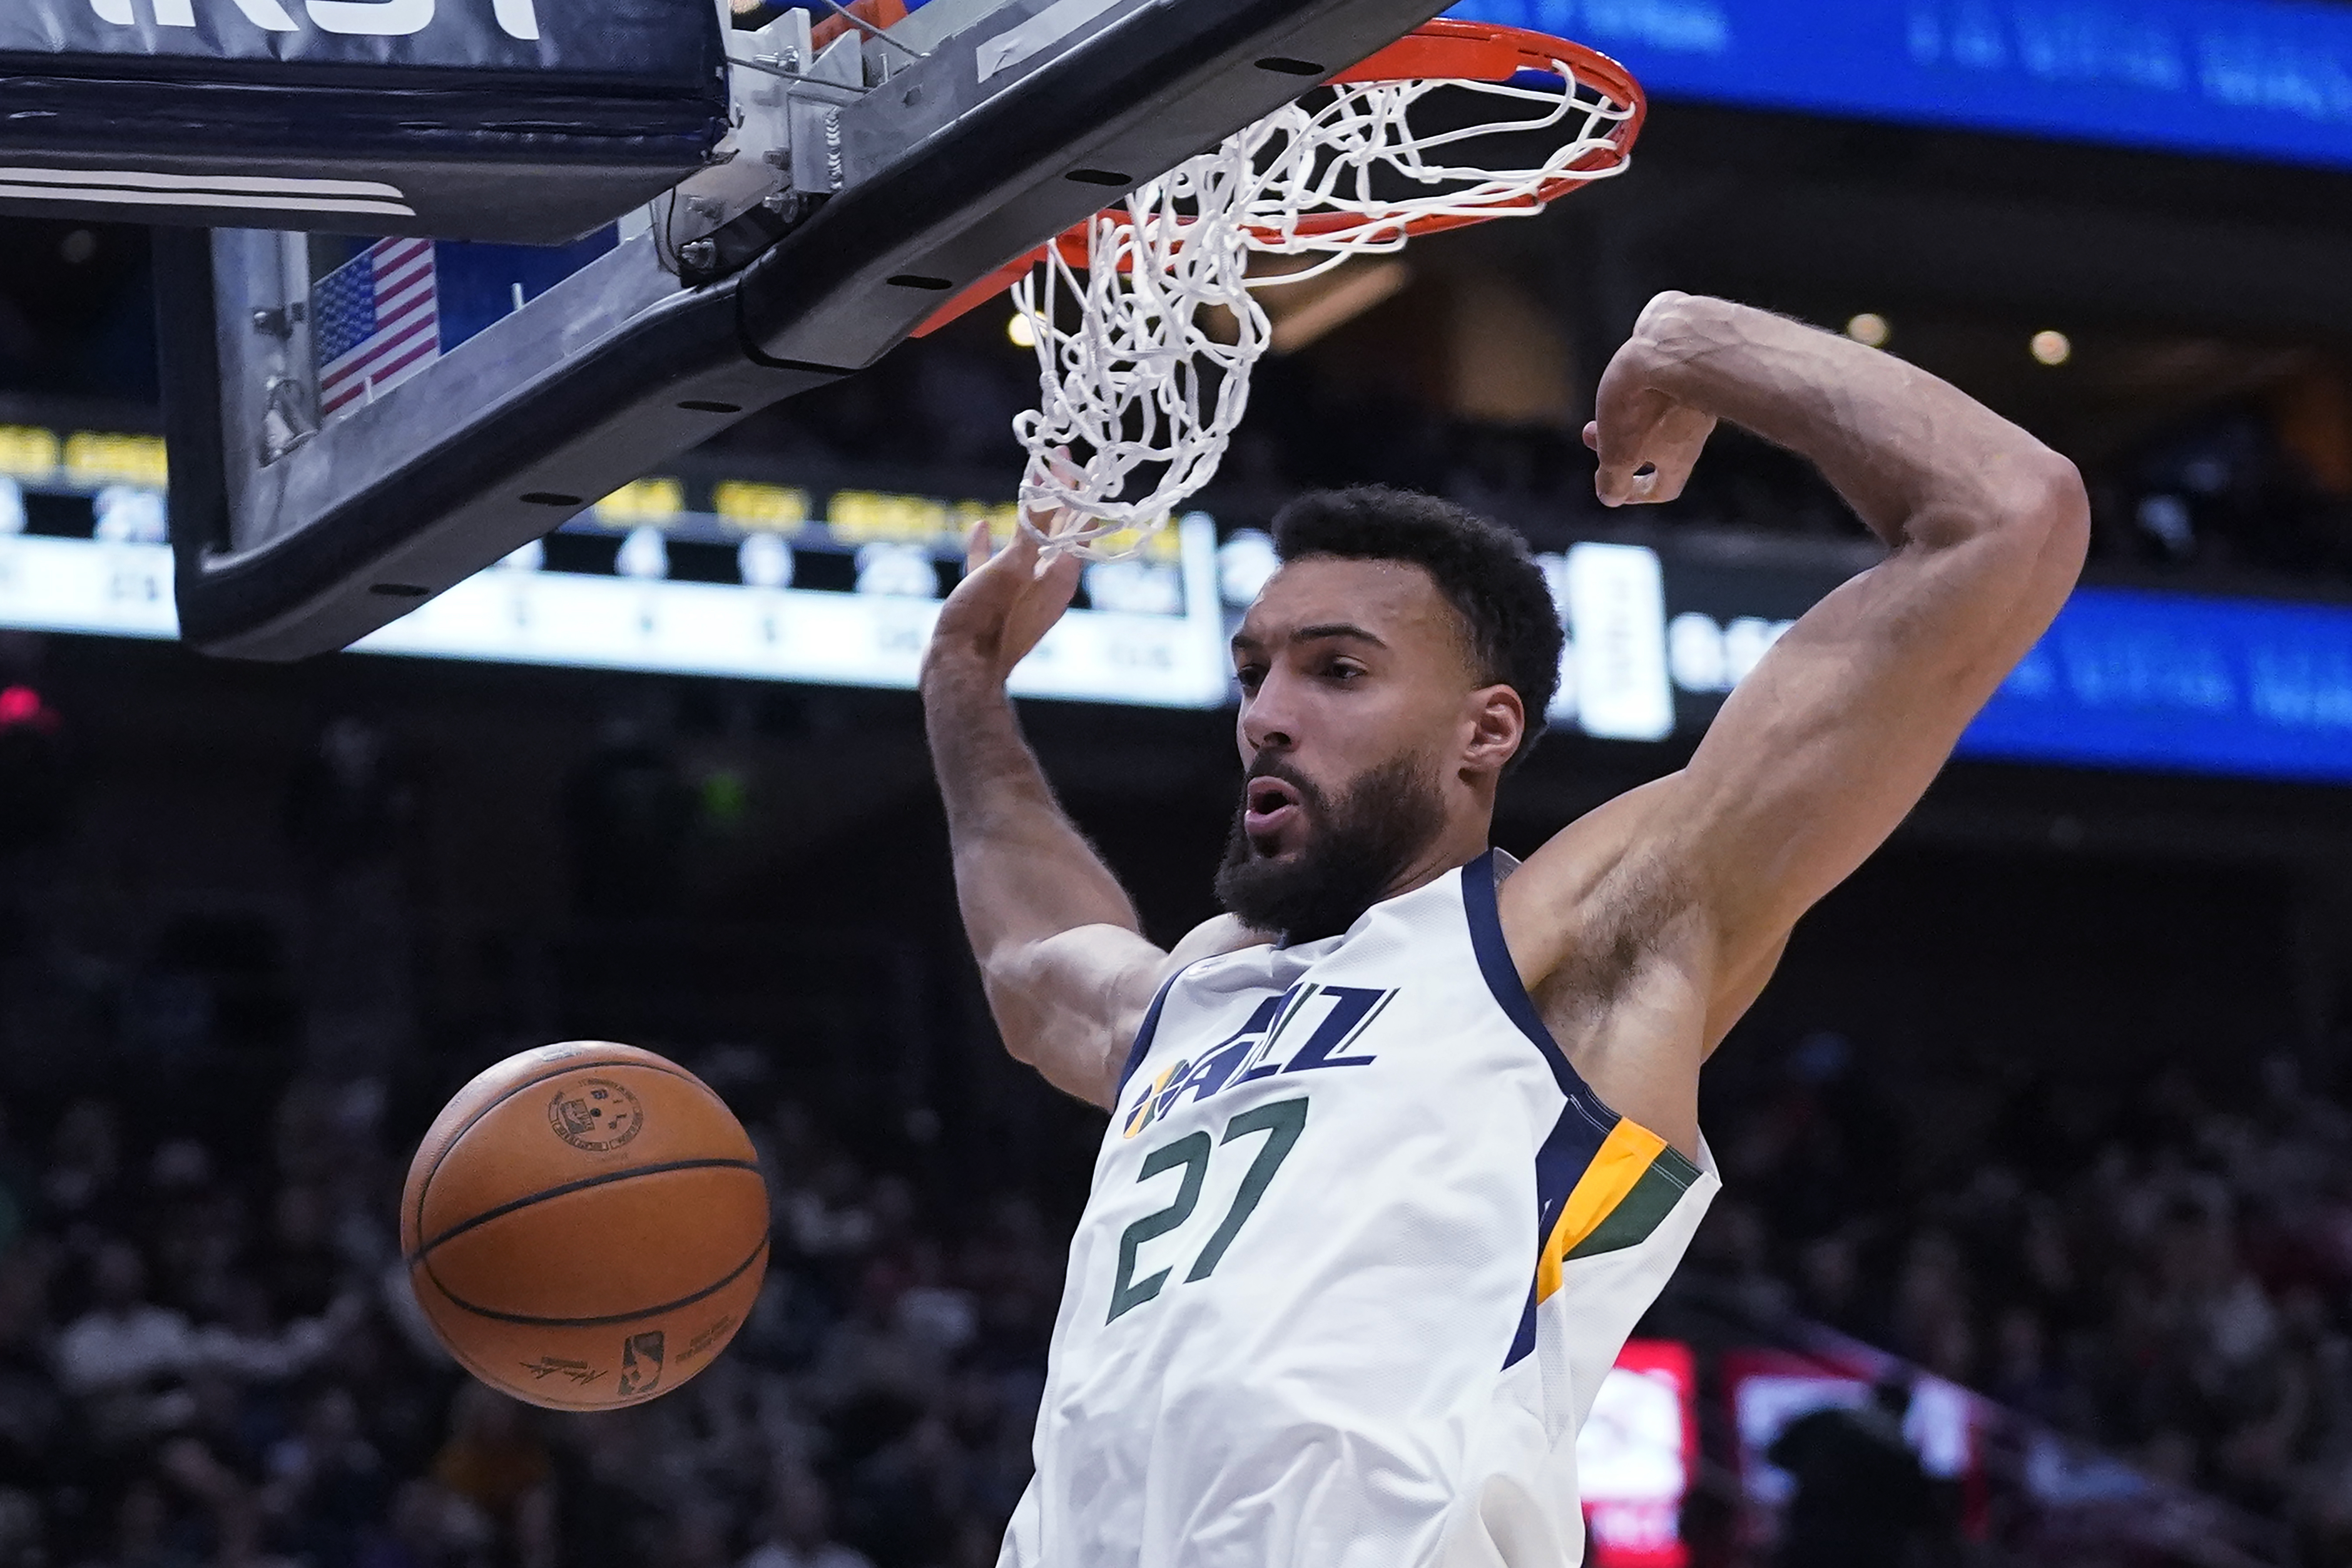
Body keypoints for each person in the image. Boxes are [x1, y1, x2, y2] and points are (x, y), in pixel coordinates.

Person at [918, 291, 2088, 1567]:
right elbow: (1030, 964)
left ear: (1486, 730)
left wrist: (1697, 350)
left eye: (1337, 670)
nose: (1264, 714)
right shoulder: (1197, 995)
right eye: (1255, 672)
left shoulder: (1571, 940)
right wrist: (964, 681)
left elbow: (2009, 517)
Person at [1766, 1379, 1943, 1568]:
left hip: (1811, 1537)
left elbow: (1778, 1455)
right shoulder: (1902, 1456)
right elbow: (1918, 1513)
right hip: (1871, 1552)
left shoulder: (1826, 1421)